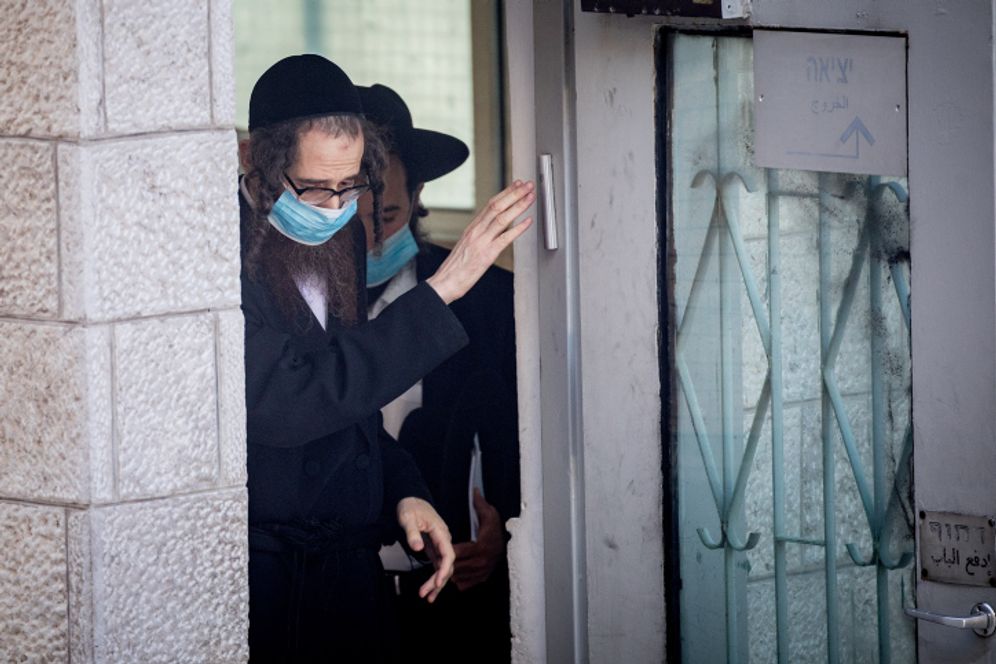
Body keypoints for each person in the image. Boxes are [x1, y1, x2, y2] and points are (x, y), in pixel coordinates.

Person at [238, 55, 533, 662]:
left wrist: (403, 489)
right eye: (314, 188)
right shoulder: (216, 252)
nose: (335, 209)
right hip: (273, 579)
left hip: (351, 571)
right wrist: (441, 292)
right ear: (254, 163)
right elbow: (291, 399)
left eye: (352, 187)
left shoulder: (342, 230)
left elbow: (354, 406)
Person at [357, 84, 520, 663]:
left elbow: (526, 435)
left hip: (454, 604)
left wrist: (507, 533)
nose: (370, 235)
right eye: (351, 217)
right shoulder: (301, 313)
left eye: (387, 214)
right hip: (342, 598)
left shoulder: (490, 300)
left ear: (418, 195)